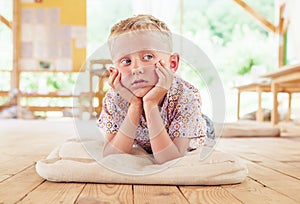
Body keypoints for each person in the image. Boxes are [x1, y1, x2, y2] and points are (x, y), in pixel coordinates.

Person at [98, 14, 214, 164]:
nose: (136, 68)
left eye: (148, 57)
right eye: (126, 61)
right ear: (114, 71)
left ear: (172, 64)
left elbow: (169, 159)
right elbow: (111, 154)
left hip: (195, 129)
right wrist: (135, 105)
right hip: (148, 138)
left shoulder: (186, 97)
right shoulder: (115, 98)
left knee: (206, 125)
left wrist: (150, 103)